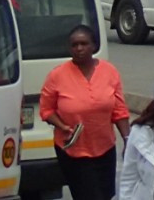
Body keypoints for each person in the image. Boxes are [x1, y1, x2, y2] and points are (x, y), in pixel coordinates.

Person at [38, 23, 130, 200]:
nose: (79, 49)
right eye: (74, 45)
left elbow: (119, 110)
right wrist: (62, 126)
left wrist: (127, 139)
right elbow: (46, 110)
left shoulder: (109, 72)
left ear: (94, 46)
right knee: (88, 195)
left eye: (84, 44)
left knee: (105, 194)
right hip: (73, 150)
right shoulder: (57, 75)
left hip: (105, 148)